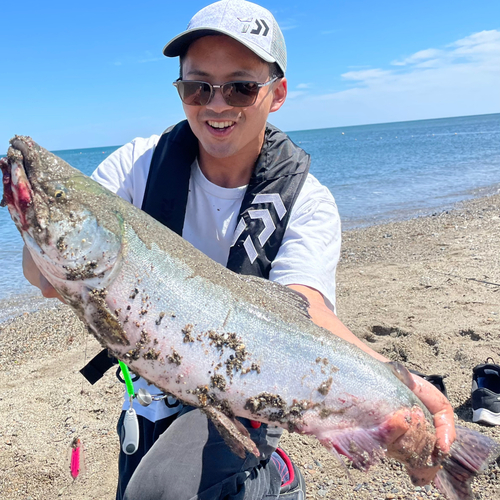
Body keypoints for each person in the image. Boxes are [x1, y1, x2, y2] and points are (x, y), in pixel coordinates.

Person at [23, 1, 456, 499]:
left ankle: (276, 472)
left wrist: (400, 384)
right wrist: (33, 215)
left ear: (277, 94)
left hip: (251, 393)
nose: (216, 104)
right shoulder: (135, 167)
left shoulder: (308, 202)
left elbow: (304, 311)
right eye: (197, 86)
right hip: (147, 396)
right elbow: (43, 279)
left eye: (241, 87)